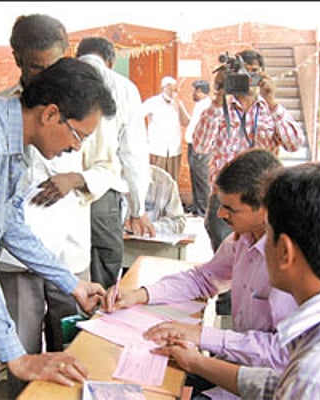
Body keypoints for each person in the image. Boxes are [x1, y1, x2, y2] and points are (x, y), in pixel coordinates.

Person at [151, 162, 320, 400]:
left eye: (267, 234)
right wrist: (197, 362)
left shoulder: (317, 376)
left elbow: (298, 381)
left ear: (284, 251)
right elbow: (278, 383)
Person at [103, 149, 298, 400]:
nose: (220, 215)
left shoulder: (290, 265)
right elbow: (202, 279)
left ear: (264, 208)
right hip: (233, 363)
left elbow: (280, 354)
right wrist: (139, 295)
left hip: (266, 383)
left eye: (230, 209)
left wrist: (201, 336)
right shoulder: (240, 240)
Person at [0, 14, 117, 398]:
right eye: (77, 136)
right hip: (11, 268)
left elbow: (10, 223)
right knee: (21, 351)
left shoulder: (15, 137)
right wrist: (15, 356)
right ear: (50, 113)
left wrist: (71, 284)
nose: (77, 149)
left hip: (62, 247)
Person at [192, 48, 306, 315]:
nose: (246, 79)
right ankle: (227, 330)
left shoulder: (270, 108)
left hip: (263, 202)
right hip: (227, 201)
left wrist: (273, 100)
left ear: (263, 75)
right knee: (226, 272)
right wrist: (217, 99)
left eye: (252, 73)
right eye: (240, 74)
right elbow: (200, 145)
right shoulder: (220, 108)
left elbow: (293, 142)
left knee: (263, 274)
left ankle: (250, 331)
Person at [75, 36, 153, 290]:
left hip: (58, 188)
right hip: (101, 193)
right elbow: (134, 153)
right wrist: (137, 209)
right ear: (110, 60)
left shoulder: (59, 79)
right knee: (104, 267)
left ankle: (63, 329)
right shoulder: (123, 87)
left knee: (65, 273)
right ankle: (96, 326)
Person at [141, 76, 190, 184]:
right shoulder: (152, 102)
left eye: (175, 89)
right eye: (170, 88)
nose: (173, 91)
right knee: (156, 180)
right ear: (164, 88)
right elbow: (137, 117)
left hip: (174, 149)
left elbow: (186, 122)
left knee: (172, 181)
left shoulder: (177, 104)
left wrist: (180, 105)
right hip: (157, 148)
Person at [184, 79, 212, 217]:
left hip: (201, 147)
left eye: (195, 90)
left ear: (200, 91)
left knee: (201, 178)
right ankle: (197, 207)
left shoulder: (207, 105)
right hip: (193, 145)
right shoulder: (200, 105)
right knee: (195, 176)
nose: (193, 93)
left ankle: (204, 209)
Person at [143, 164, 186, 235]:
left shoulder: (165, 181)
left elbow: (178, 221)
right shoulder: (118, 181)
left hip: (151, 243)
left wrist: (150, 228)